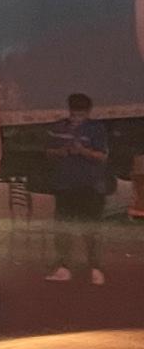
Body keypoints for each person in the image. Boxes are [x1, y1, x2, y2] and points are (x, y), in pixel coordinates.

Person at [45, 93, 110, 284]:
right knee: (63, 227)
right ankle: (63, 267)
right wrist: (61, 151)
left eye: (80, 115)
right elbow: (48, 152)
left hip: (90, 186)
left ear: (88, 112)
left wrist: (83, 151)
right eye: (74, 114)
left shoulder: (96, 129)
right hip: (65, 185)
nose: (76, 118)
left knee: (91, 228)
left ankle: (96, 268)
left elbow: (102, 156)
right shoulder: (59, 127)